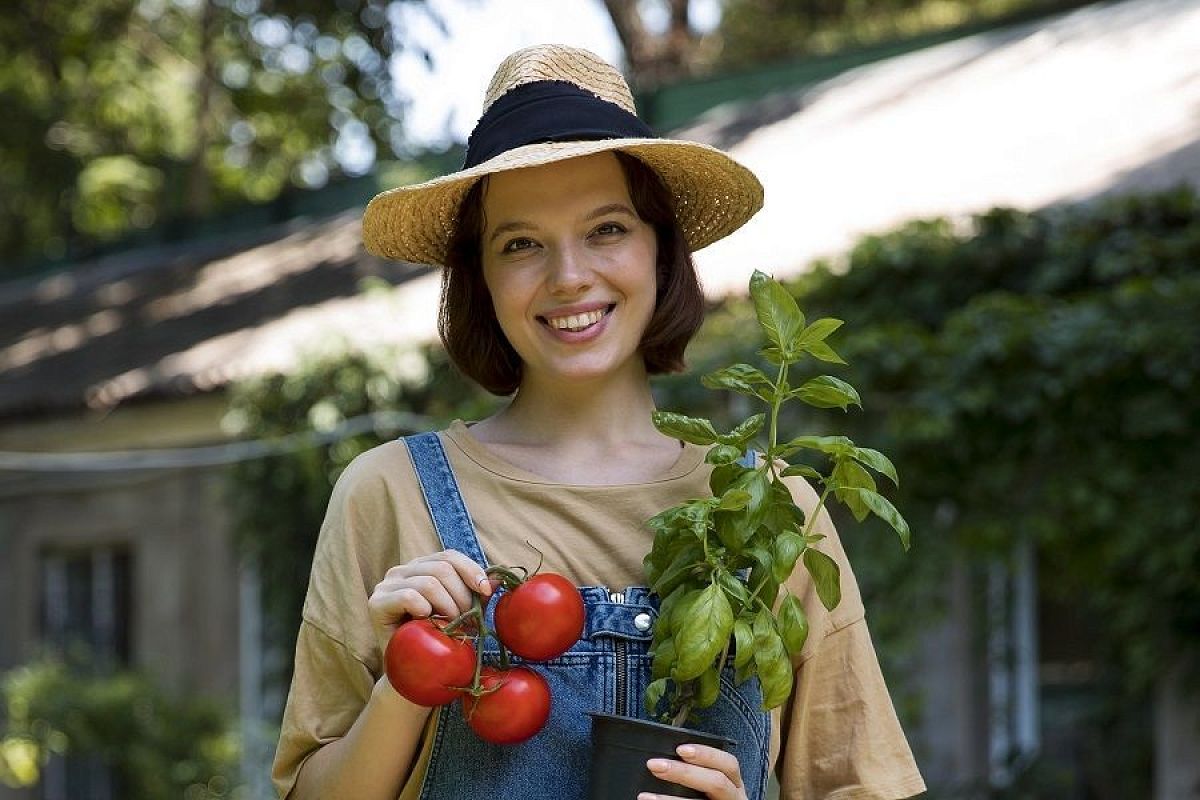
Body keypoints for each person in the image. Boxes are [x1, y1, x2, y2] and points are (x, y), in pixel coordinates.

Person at [272, 44, 926, 800]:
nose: (569, 276)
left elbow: (863, 784)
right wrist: (407, 679)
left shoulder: (769, 512)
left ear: (660, 251)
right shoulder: (388, 495)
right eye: (520, 244)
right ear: (479, 280)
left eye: (608, 229)